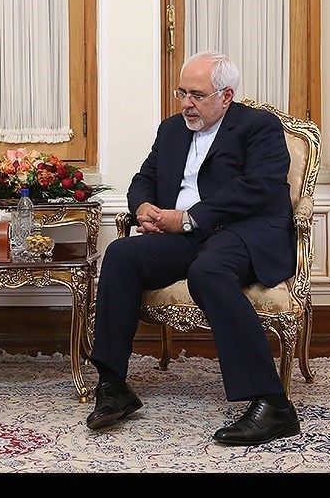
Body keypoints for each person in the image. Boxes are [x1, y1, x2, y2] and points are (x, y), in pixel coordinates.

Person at [86, 50, 301, 446]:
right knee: (121, 255)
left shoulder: (259, 126)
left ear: (226, 95)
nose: (186, 103)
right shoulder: (172, 130)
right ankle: (114, 384)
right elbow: (144, 177)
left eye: (197, 95)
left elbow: (257, 188)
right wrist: (143, 206)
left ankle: (274, 405)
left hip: (244, 232)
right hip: (187, 237)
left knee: (208, 271)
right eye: (181, 92)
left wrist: (187, 218)